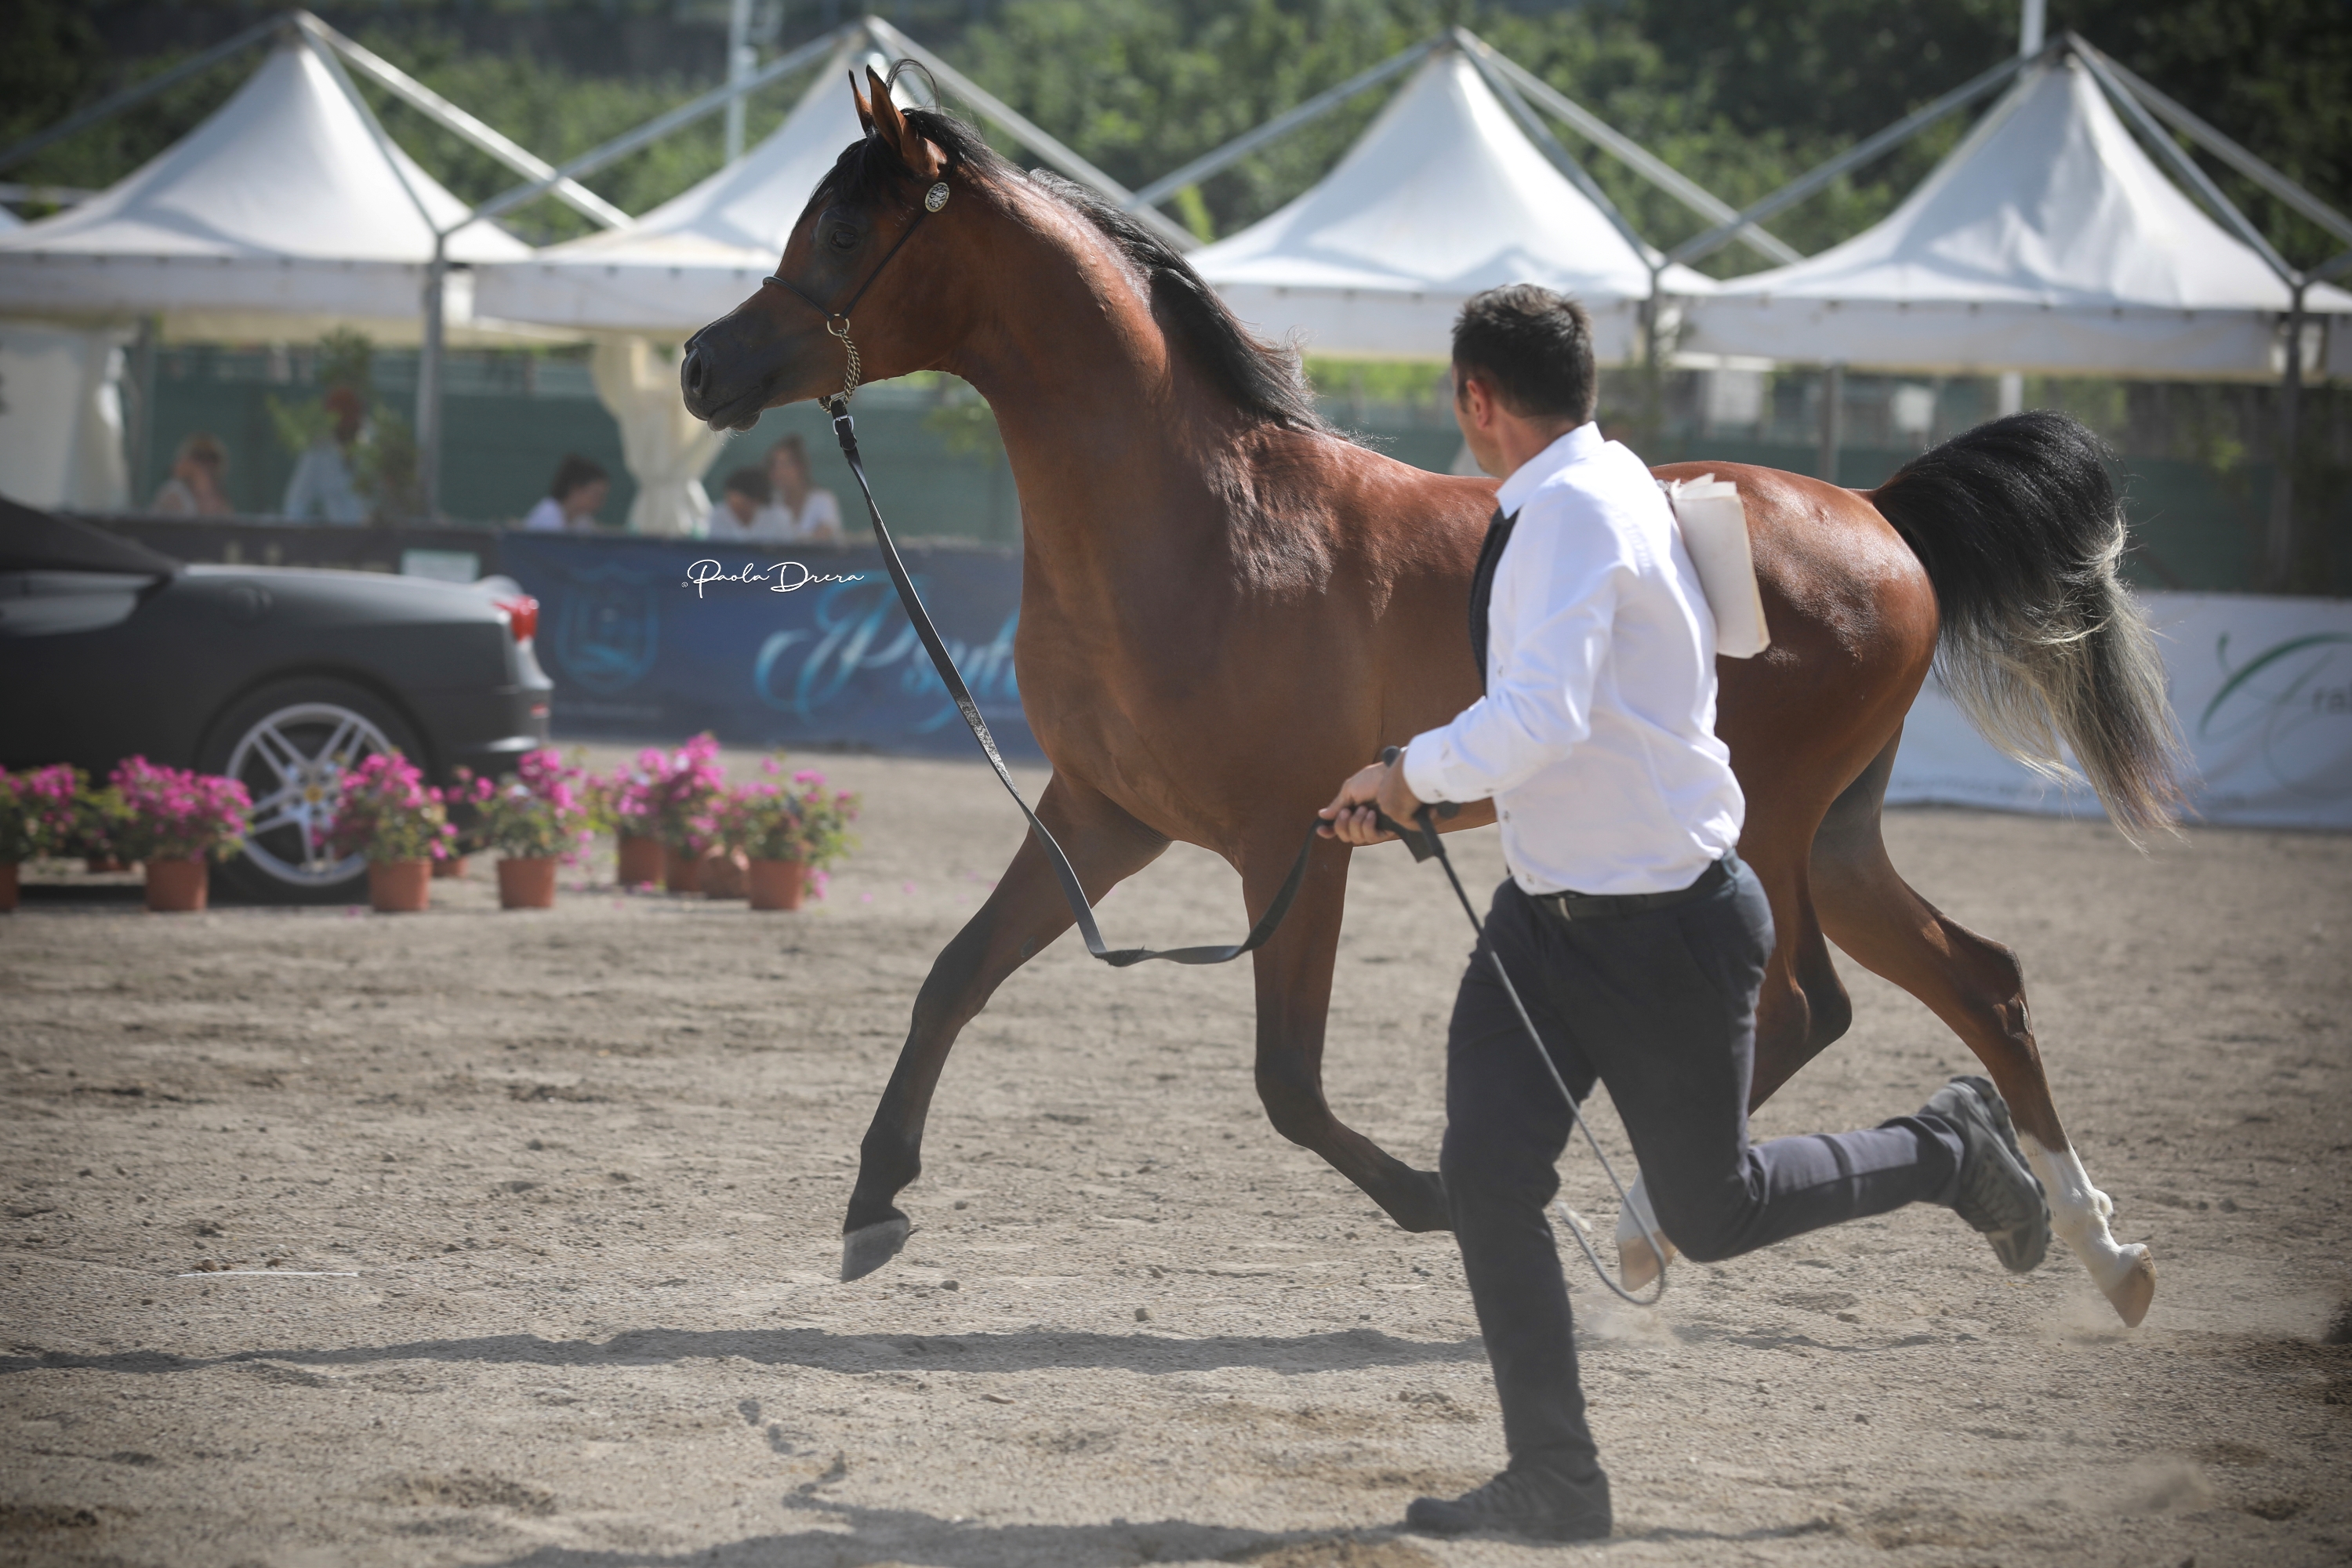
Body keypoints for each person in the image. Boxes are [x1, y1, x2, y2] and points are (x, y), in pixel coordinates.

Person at [1318, 285, 2050, 1544]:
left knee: (1713, 1212)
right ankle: (1557, 1479)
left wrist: (1406, 774)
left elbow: (1541, 717)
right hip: (1547, 919)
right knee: (1488, 1174)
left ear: (1476, 399)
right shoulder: (1602, 488)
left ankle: (1947, 1148)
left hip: (1661, 925)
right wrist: (1414, 789)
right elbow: (1584, 718)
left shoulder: (1569, 515)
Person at [281, 386, 368, 524]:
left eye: (347, 410)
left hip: (379, 535)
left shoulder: (377, 445)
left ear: (358, 411)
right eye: (336, 412)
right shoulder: (317, 452)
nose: (343, 418)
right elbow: (296, 505)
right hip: (336, 534)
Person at [753, 434, 844, 544]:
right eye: (774, 466)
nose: (780, 472)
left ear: (801, 467)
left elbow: (826, 534)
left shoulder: (823, 500)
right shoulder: (769, 504)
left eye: (786, 465)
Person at [521, 455, 609, 533]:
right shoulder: (547, 516)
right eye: (596, 495)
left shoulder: (583, 520)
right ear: (576, 490)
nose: (600, 502)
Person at [150, 434, 232, 517]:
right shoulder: (174, 490)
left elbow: (224, 519)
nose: (205, 464)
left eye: (212, 458)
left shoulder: (218, 494)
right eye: (199, 457)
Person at [703, 466, 772, 543]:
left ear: (755, 501)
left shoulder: (775, 517)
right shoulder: (717, 515)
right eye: (730, 503)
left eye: (741, 505)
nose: (734, 509)